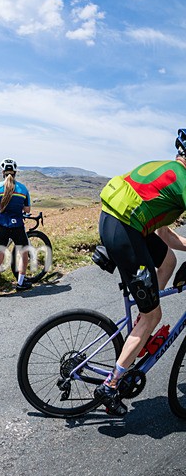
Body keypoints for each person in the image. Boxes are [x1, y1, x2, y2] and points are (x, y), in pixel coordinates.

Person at [94, 129, 186, 416]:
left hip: (118, 222)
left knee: (168, 260)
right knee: (153, 315)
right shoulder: (183, 180)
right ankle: (110, 385)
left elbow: (165, 235)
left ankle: (141, 322)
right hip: (125, 230)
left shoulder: (166, 170)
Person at [0, 158, 33, 296]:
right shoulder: (23, 189)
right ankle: (20, 283)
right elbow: (27, 210)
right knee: (24, 255)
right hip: (18, 227)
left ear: (3, 172)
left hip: (2, 226)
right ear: (15, 172)